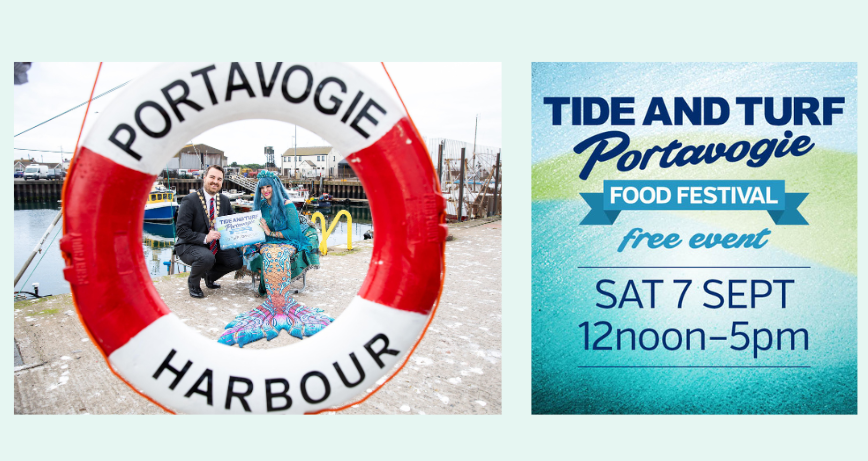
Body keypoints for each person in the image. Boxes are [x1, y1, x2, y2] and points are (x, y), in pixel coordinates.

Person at [218, 170, 332, 347]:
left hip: (289, 242)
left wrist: (270, 233)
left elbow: (294, 233)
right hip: (268, 242)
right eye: (262, 187)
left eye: (268, 186)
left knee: (278, 254)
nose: (265, 190)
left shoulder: (288, 205)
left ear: (275, 187)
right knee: (269, 253)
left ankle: (279, 303)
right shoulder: (262, 206)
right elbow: (258, 231)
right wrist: (256, 239)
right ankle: (273, 299)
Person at [174, 165, 243, 298]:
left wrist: (252, 230)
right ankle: (193, 283)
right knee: (206, 257)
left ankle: (209, 276)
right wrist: (205, 237)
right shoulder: (189, 200)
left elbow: (234, 223)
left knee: (237, 260)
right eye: (212, 177)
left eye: (219, 179)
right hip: (189, 245)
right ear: (205, 178)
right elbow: (182, 231)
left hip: (215, 245)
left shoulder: (224, 200)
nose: (215, 181)